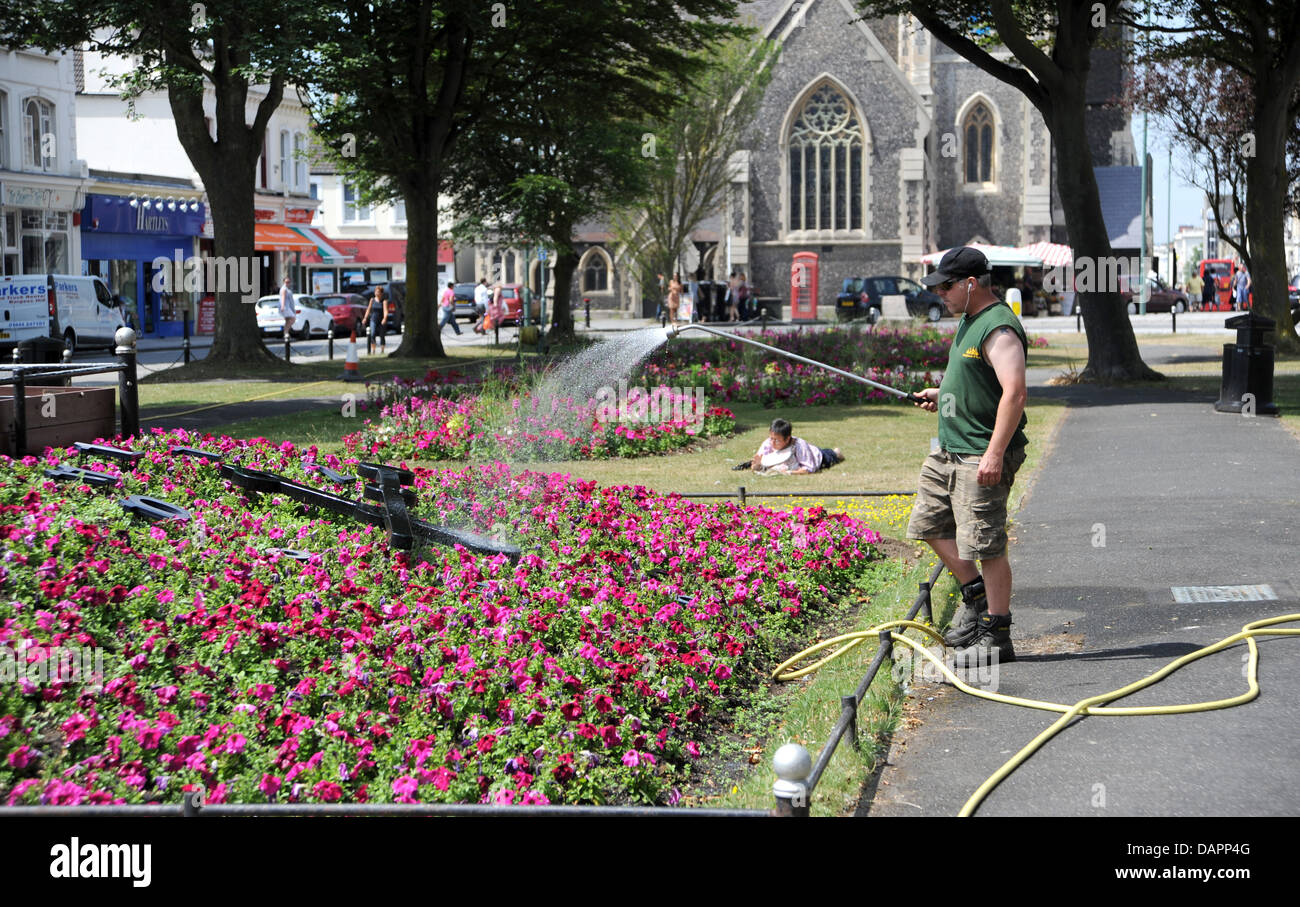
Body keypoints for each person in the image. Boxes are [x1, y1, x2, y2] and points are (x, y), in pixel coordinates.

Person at [908, 246, 1029, 667]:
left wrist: (994, 454)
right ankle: (976, 599)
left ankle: (997, 637)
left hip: (979, 454)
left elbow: (1014, 393)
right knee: (928, 524)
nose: (939, 293)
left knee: (987, 544)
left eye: (945, 286)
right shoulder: (968, 321)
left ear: (971, 284)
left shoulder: (999, 329)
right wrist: (941, 394)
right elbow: (979, 382)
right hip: (948, 448)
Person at [750, 418, 844, 475]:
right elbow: (757, 465)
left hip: (819, 456)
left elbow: (809, 470)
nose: (772, 443)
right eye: (771, 438)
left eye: (777, 440)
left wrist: (789, 473)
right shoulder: (768, 443)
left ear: (787, 439)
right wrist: (757, 466)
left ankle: (835, 453)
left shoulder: (800, 446)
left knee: (831, 455)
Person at [363, 286, 388, 353]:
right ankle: (373, 350)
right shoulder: (372, 300)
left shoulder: (384, 301)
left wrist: (384, 318)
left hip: (381, 320)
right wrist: (365, 318)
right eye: (375, 291)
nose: (376, 293)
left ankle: (382, 350)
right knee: (372, 334)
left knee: (382, 335)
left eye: (378, 292)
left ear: (381, 293)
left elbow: (385, 311)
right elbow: (368, 309)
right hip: (373, 319)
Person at [278, 276, 296, 341]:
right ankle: (286, 332)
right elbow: (283, 297)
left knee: (288, 320)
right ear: (283, 282)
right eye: (286, 282)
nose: (287, 283)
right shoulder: (284, 289)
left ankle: (286, 333)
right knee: (293, 318)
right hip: (286, 307)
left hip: (288, 307)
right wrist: (282, 306)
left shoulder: (287, 289)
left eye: (288, 282)